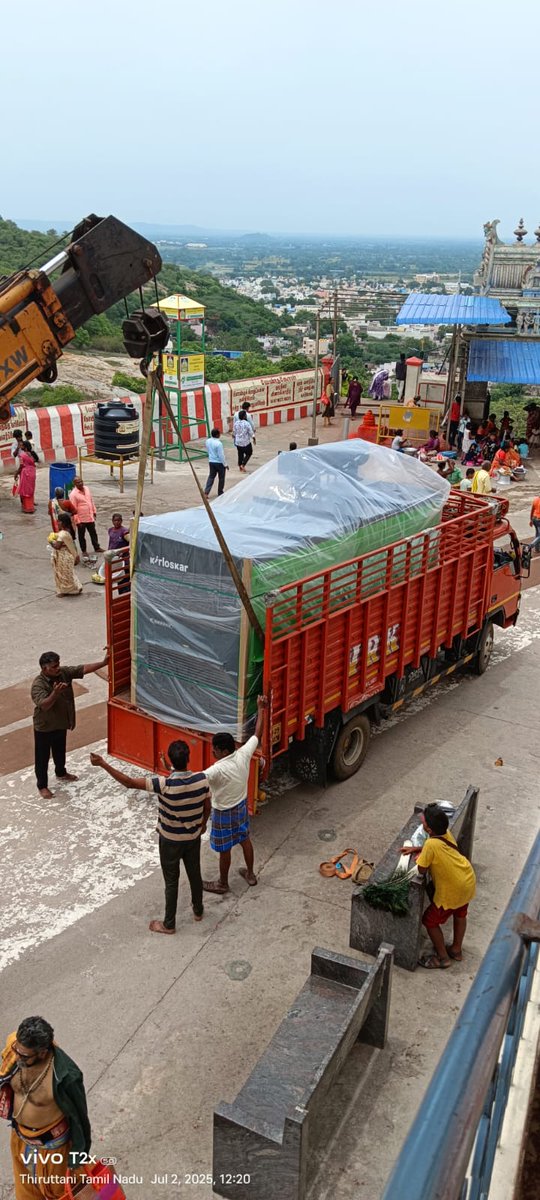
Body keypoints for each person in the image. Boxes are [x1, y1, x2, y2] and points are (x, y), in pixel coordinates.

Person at [90, 741, 211, 934]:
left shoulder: (162, 784)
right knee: (194, 873)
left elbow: (129, 782)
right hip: (193, 837)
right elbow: (207, 807)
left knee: (171, 881)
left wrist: (103, 764)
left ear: (171, 760)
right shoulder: (202, 780)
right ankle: (198, 910)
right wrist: (203, 824)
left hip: (170, 841)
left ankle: (169, 923)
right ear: (188, 758)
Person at [1, 1016, 91, 1199]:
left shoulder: (66, 1076)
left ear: (42, 1052)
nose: (17, 1056)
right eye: (16, 1050)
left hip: (53, 1151)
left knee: (61, 1195)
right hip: (20, 1141)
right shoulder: (15, 1047)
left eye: (24, 1055)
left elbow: (80, 1119)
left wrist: (76, 1158)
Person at [202, 695, 268, 895]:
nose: (212, 753)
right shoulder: (244, 753)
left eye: (214, 750)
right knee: (244, 839)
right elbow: (258, 732)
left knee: (225, 849)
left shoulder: (216, 770)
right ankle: (250, 874)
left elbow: (194, 782)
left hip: (223, 813)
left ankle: (223, 883)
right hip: (240, 807)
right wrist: (261, 708)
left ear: (222, 751)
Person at [31, 648, 108, 798]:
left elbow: (82, 669)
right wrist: (55, 693)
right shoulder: (38, 685)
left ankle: (61, 772)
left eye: (58, 664)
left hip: (61, 722)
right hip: (45, 727)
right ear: (44, 669)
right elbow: (44, 705)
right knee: (42, 758)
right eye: (54, 666)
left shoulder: (63, 673)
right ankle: (42, 786)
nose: (58, 668)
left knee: (60, 750)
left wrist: (103, 662)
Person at [411, 803, 476, 969]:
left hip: (452, 891)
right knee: (460, 913)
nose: (422, 822)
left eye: (424, 822)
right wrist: (419, 848)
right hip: (466, 880)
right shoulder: (444, 833)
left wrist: (420, 855)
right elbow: (438, 847)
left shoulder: (431, 845)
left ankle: (443, 958)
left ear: (430, 830)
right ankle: (456, 949)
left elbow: (422, 869)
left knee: (430, 921)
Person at [49, 513, 83, 597]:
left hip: (64, 556)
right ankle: (77, 587)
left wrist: (51, 541)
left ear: (63, 523)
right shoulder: (68, 530)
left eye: (59, 521)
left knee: (63, 575)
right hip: (68, 556)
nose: (58, 523)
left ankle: (64, 591)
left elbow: (57, 546)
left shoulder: (62, 534)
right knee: (69, 573)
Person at [69, 477, 103, 561]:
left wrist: (94, 511)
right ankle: (84, 550)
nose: (80, 483)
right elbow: (73, 509)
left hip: (89, 516)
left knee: (93, 533)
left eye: (81, 481)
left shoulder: (87, 489)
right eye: (78, 482)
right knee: (81, 536)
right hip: (81, 519)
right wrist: (77, 521)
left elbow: (91, 501)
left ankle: (97, 547)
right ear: (75, 484)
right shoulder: (73, 494)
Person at [92, 513, 130, 584]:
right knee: (110, 572)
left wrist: (123, 552)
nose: (117, 522)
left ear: (121, 521)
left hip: (122, 558)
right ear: (112, 521)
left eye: (118, 520)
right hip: (112, 555)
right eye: (115, 520)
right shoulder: (110, 530)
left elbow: (130, 541)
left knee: (123, 578)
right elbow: (111, 542)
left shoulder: (124, 531)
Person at [13, 441, 37, 514]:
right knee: (30, 489)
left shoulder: (22, 455)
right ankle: (31, 507)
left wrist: (16, 473)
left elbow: (21, 466)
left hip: (26, 473)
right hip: (32, 472)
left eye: (22, 446)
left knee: (25, 490)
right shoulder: (31, 454)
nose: (21, 447)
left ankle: (27, 508)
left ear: (25, 447)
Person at [203, 428, 228, 496]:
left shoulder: (208, 441)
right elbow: (221, 455)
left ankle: (206, 492)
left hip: (211, 461)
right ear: (217, 435)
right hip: (219, 463)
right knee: (221, 478)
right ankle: (220, 492)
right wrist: (225, 464)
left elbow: (208, 450)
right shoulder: (219, 444)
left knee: (211, 477)